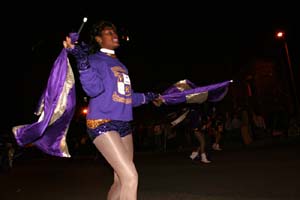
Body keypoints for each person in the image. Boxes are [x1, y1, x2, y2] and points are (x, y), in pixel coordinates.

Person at [63, 20, 159, 200]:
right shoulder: (94, 60)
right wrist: (82, 62)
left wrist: (149, 97)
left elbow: (125, 97)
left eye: (115, 32)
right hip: (102, 122)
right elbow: (94, 89)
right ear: (98, 39)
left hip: (123, 124)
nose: (114, 35)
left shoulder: (121, 65)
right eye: (108, 33)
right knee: (131, 177)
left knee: (121, 181)